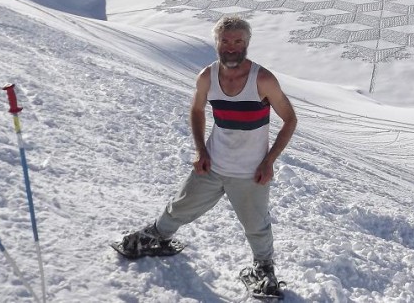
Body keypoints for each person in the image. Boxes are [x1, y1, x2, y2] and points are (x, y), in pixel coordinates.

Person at [119, 16, 297, 294]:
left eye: (238, 41)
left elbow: (289, 119)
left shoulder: (262, 79)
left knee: (256, 226)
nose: (231, 47)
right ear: (216, 42)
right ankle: (156, 236)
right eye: (225, 41)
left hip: (250, 172)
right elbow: (197, 109)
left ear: (247, 43)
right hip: (213, 163)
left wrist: (268, 161)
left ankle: (264, 269)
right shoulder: (207, 76)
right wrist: (201, 150)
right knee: (181, 205)